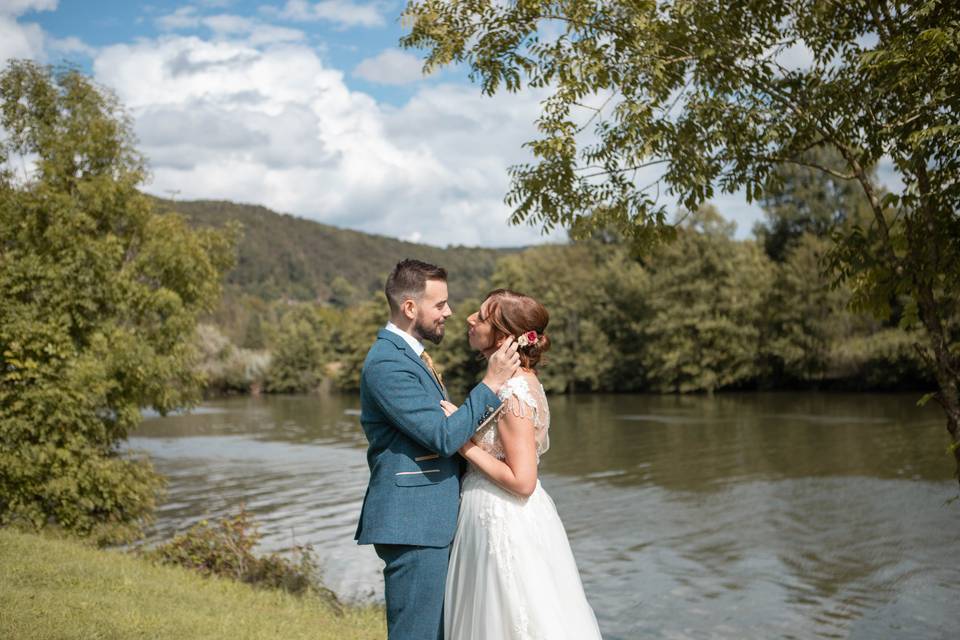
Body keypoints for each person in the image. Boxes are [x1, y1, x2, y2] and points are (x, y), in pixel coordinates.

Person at [354, 260, 520, 640]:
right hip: (414, 524)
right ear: (410, 308)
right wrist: (491, 383)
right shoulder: (387, 364)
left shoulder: (408, 356)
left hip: (431, 520)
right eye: (440, 304)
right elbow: (443, 438)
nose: (449, 312)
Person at [441, 289, 603, 639]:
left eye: (481, 316)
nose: (469, 319)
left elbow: (523, 480)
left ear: (503, 336)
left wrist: (463, 443)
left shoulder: (513, 392)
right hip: (490, 513)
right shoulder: (510, 385)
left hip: (503, 517)